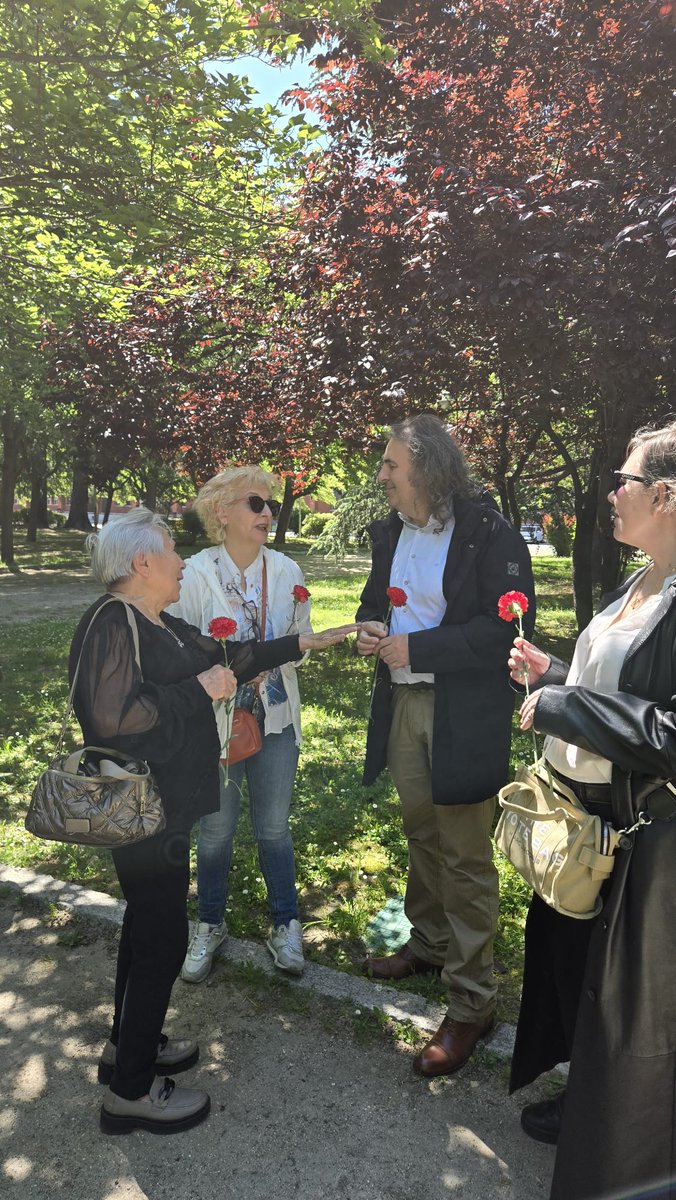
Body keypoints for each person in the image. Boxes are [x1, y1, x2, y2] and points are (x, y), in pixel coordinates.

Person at [72, 509, 346, 1135]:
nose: (181, 561)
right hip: (140, 811)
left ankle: (127, 1047)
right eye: (171, 550)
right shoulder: (113, 621)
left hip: (164, 809)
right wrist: (200, 689)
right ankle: (130, 1093)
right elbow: (113, 718)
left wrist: (306, 642)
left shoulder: (157, 621)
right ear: (142, 563)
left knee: (145, 928)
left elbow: (231, 657)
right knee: (163, 938)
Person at [508, 420, 676, 1199]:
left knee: (625, 999)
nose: (611, 493)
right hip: (582, 821)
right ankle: (590, 1103)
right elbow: (612, 686)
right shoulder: (639, 578)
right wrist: (553, 674)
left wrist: (564, 708)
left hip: (640, 837)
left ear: (665, 495)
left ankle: (624, 1143)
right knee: (577, 972)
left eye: (624, 481)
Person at [357, 413, 536, 1077]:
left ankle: (472, 1003)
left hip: (463, 714)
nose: (382, 476)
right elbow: (376, 599)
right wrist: (370, 626)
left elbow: (505, 633)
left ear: (428, 472)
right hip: (404, 704)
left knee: (464, 855)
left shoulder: (489, 533)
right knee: (421, 831)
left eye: (391, 466)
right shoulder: (390, 531)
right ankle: (430, 942)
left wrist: (419, 647)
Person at [169, 465, 355, 983]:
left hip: (275, 720)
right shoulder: (195, 574)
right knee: (215, 830)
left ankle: (285, 924)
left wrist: (297, 648)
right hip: (215, 726)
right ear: (222, 512)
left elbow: (301, 642)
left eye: (270, 504)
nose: (268, 512)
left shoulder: (288, 571)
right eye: (256, 503)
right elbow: (179, 647)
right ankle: (209, 923)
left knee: (273, 827)